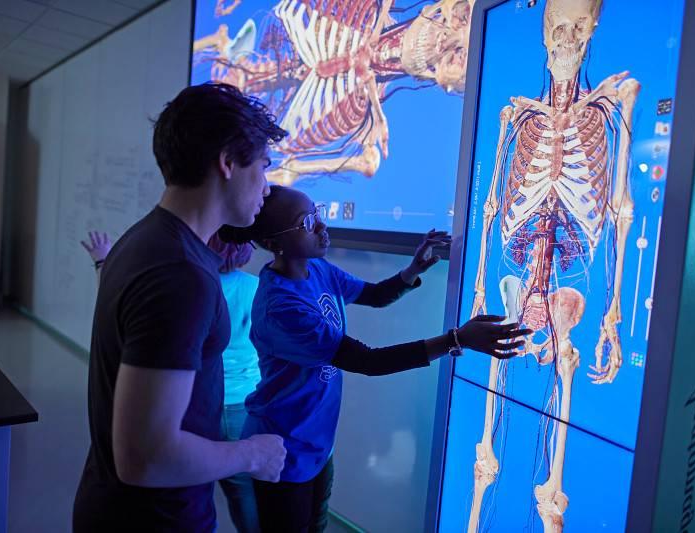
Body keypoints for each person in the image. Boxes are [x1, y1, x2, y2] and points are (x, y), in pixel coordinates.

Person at [220, 185, 532, 532]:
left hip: (317, 438)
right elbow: (369, 361)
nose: (322, 226)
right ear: (276, 243)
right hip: (283, 446)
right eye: (308, 222)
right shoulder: (281, 307)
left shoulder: (318, 269)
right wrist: (456, 339)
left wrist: (413, 269)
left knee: (316, 524)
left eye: (318, 212)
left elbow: (374, 295)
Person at [72, 83, 287, 533]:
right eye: (264, 167)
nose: (267, 187)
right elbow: (145, 458)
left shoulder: (144, 239)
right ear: (227, 162)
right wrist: (253, 454)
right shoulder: (180, 273)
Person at [80, 230, 262, 532]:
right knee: (243, 493)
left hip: (196, 406)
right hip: (241, 405)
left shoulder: (193, 284)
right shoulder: (253, 288)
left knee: (190, 479)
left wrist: (103, 262)